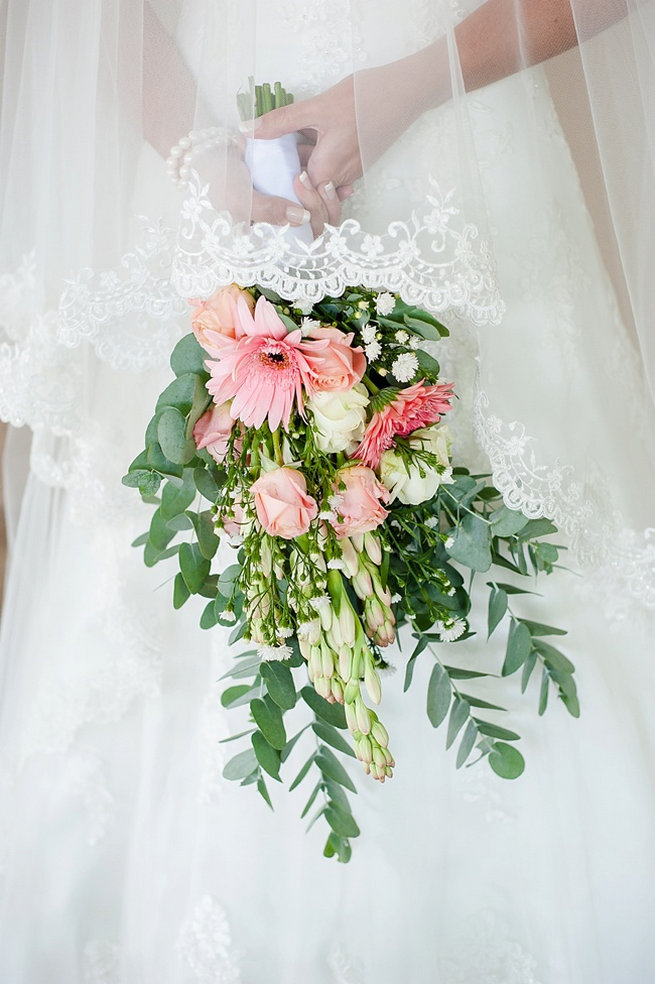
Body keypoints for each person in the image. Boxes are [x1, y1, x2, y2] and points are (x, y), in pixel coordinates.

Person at [0, 1, 654, 981]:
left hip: (456, 135)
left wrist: (412, 82)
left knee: (519, 539)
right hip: (221, 149)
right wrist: (202, 160)